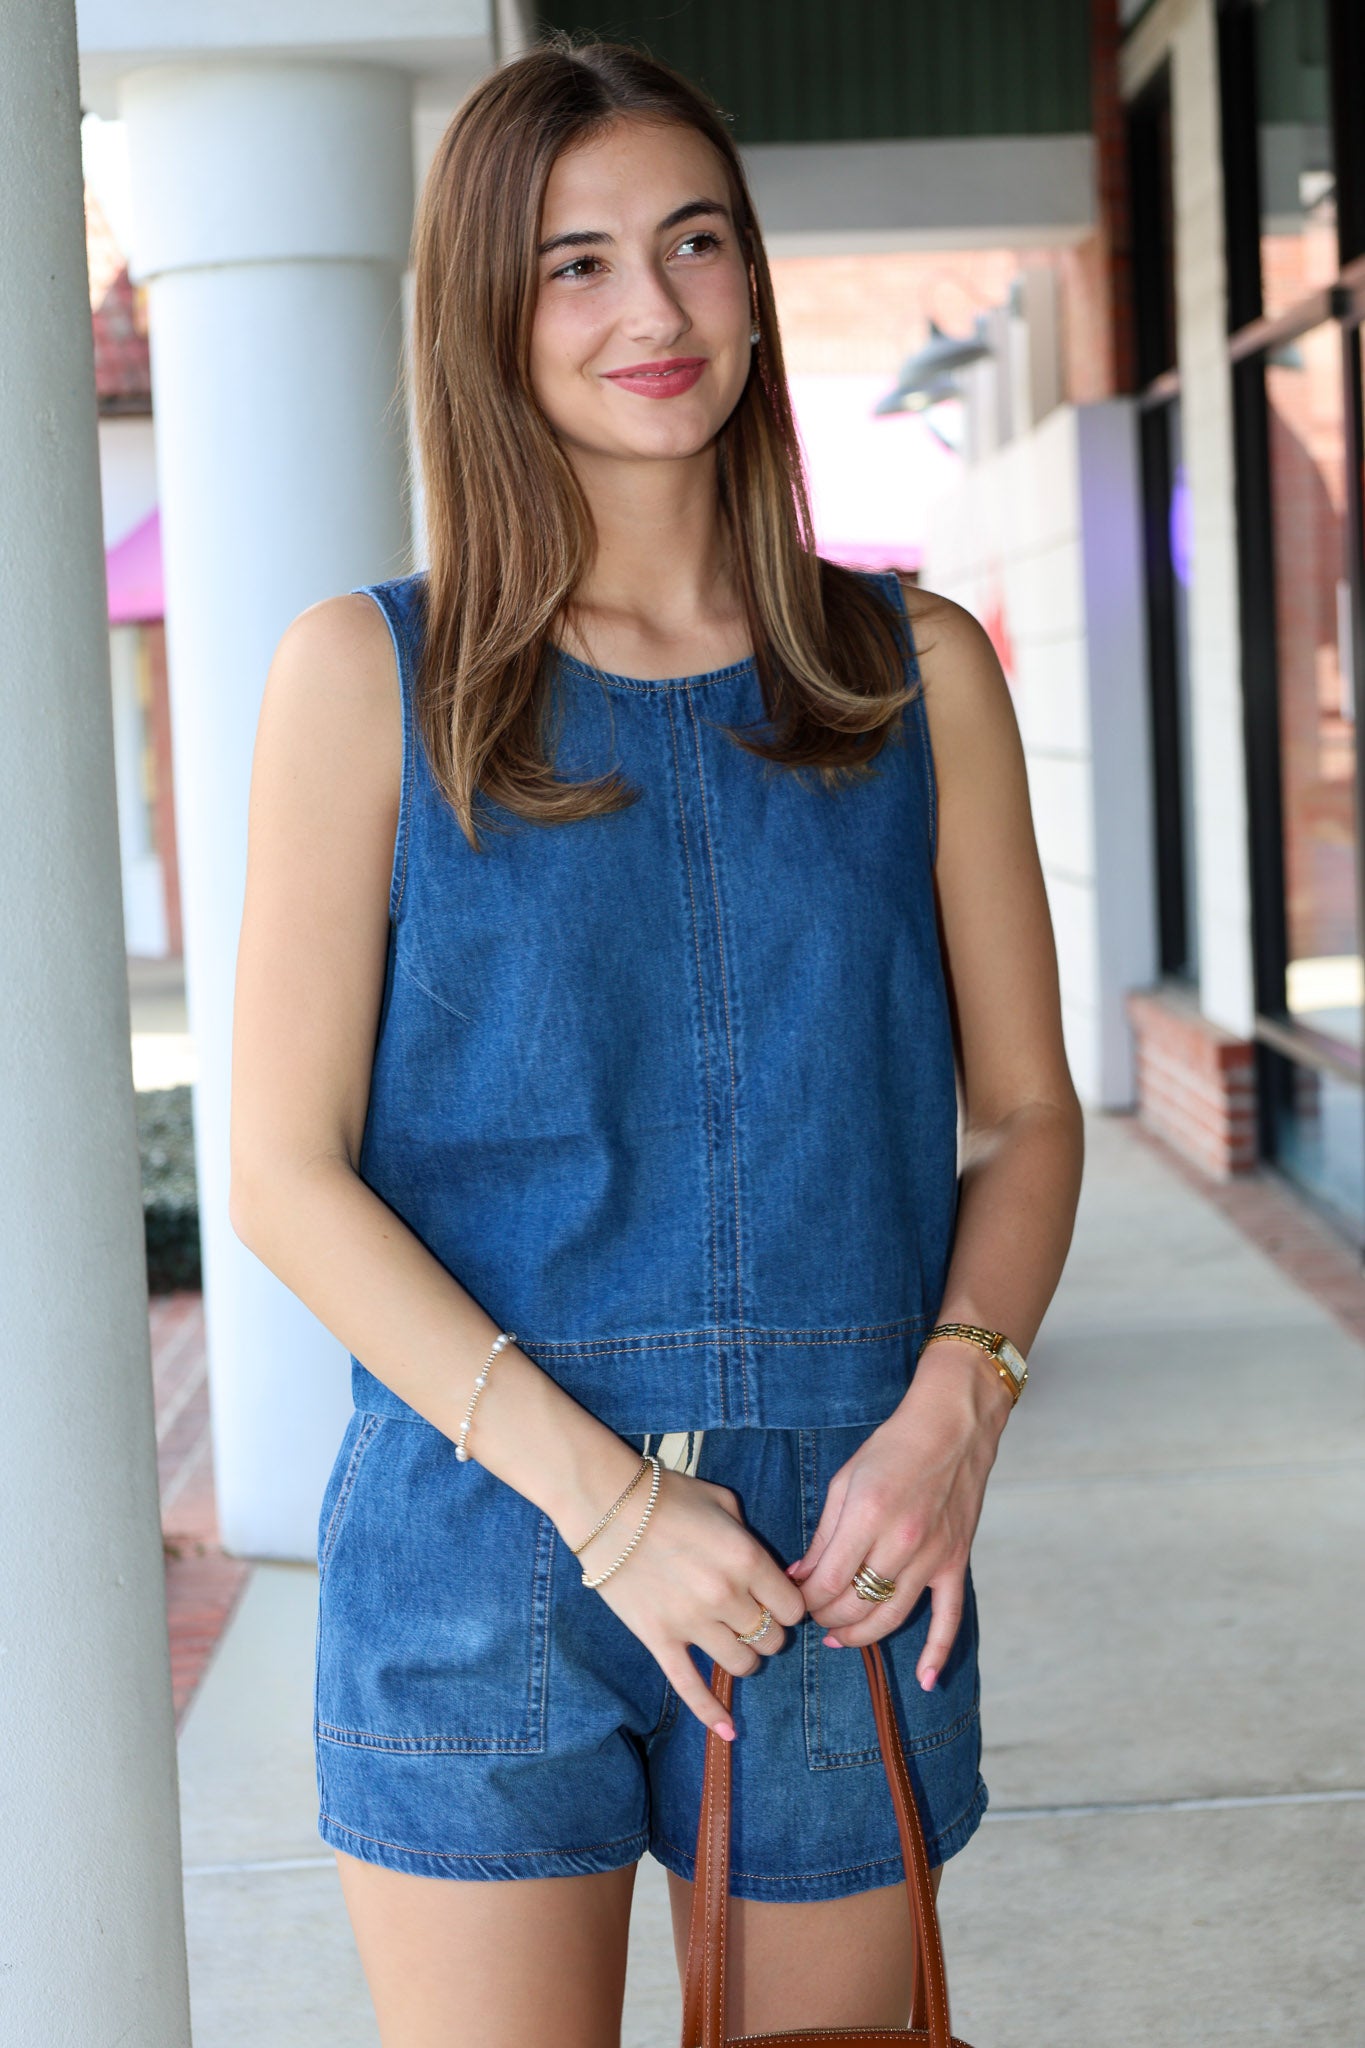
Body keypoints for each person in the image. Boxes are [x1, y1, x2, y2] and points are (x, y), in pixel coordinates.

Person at [230, 35, 1084, 2047]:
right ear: (485, 315)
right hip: (484, 1535)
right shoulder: (369, 675)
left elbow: (1032, 1114)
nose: (654, 309)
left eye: (693, 242)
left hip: (837, 1552)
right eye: (576, 264)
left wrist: (959, 1403)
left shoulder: (905, 671)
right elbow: (278, 1163)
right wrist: (603, 1502)